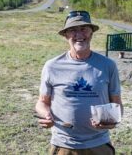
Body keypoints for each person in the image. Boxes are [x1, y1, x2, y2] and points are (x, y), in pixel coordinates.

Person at [36, 10, 122, 155]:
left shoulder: (108, 65)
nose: (79, 35)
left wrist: (112, 121)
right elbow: (42, 102)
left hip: (99, 144)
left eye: (84, 29)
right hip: (63, 145)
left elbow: (117, 104)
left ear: (91, 33)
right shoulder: (52, 66)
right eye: (73, 30)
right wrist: (46, 115)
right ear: (66, 35)